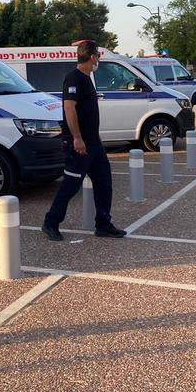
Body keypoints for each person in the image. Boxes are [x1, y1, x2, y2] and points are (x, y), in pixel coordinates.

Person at [42, 40, 126, 241]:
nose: (98, 60)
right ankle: (51, 222)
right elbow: (69, 108)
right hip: (79, 144)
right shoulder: (74, 78)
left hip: (94, 144)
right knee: (71, 185)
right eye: (98, 56)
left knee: (104, 182)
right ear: (92, 57)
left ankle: (103, 224)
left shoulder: (87, 79)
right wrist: (77, 138)